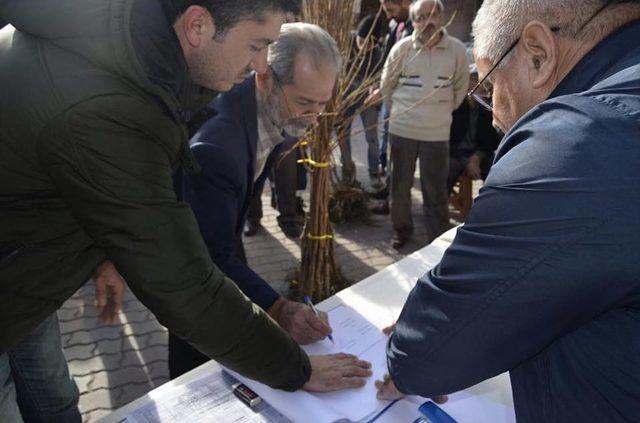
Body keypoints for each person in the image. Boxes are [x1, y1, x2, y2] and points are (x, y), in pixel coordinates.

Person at [0, 0, 372, 420]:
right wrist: (295, 368)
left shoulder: (135, 59)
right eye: (256, 44)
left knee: (51, 397)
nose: (260, 65)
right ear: (198, 25)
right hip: (15, 277)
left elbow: (91, 183)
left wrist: (104, 251)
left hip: (24, 277)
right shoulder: (114, 106)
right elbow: (182, 283)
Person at [377, 0, 640, 421]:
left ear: (538, 53)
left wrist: (419, 331)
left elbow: (422, 356)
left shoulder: (577, 143)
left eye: (488, 85)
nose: (495, 116)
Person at [169, 22, 342, 379]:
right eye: (304, 103)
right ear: (265, 79)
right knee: (200, 363)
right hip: (188, 267)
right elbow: (208, 262)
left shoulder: (270, 108)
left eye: (322, 104)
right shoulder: (218, 149)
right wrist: (277, 308)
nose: (312, 118)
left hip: (216, 235)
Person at [380, 0, 469, 248]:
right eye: (420, 17)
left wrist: (439, 113)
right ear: (413, 20)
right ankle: (402, 230)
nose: (426, 21)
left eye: (431, 15)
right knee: (399, 186)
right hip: (403, 130)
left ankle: (437, 239)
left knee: (436, 190)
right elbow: (387, 86)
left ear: (441, 18)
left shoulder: (457, 51)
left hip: (437, 134)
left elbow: (460, 89)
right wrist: (402, 112)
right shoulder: (401, 49)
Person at [340, 13, 387, 189]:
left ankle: (374, 173)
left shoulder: (377, 53)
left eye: (369, 44)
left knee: (372, 137)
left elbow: (378, 78)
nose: (364, 46)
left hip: (367, 99)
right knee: (342, 136)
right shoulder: (345, 43)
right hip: (345, 99)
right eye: (362, 41)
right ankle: (347, 173)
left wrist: (374, 89)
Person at [447, 64, 502, 192]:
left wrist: (477, 157)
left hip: (479, 155)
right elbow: (447, 141)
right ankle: (439, 209)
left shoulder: (488, 108)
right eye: (475, 80)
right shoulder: (454, 106)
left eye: (484, 81)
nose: (481, 85)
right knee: (448, 168)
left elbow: (492, 140)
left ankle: (490, 205)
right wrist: (467, 162)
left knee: (498, 170)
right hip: (455, 154)